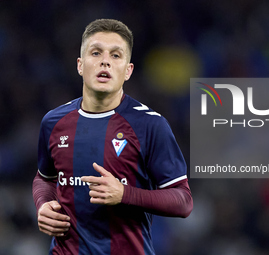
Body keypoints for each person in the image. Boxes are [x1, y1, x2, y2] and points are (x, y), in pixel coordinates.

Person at [32, 18, 193, 255]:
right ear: (80, 65)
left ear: (128, 71)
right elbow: (44, 178)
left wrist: (124, 194)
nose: (105, 61)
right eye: (96, 53)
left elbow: (183, 201)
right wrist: (43, 204)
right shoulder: (53, 122)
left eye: (116, 55)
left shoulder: (150, 125)